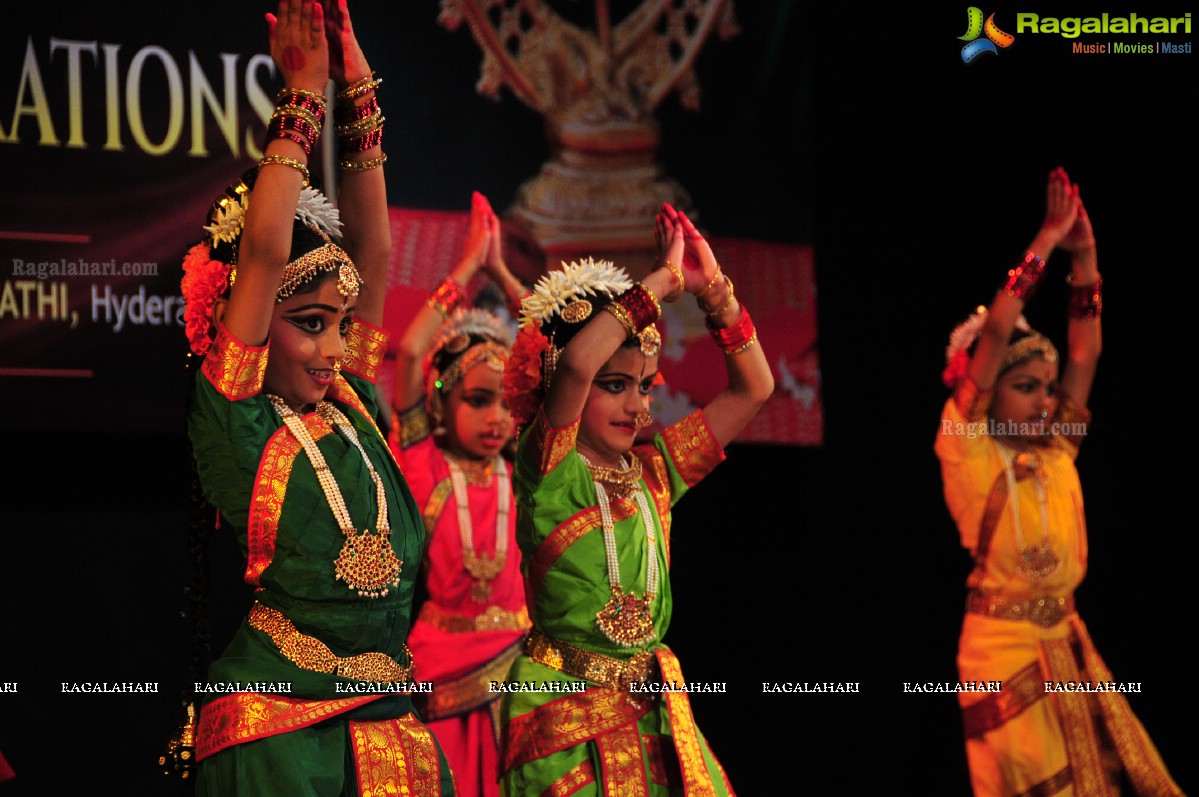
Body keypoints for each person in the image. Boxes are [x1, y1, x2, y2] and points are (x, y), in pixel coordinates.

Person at [181, 0, 453, 792]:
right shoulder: (235, 413)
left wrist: (358, 90)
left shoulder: (354, 404)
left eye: (340, 323)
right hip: (280, 727)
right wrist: (301, 96)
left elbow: (374, 247)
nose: (335, 347)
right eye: (309, 324)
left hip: (387, 719)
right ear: (254, 322)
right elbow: (265, 249)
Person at [496, 204, 774, 795]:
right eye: (616, 386)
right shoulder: (548, 467)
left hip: (652, 709)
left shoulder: (656, 473)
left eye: (645, 386)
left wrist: (716, 294)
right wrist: (661, 283)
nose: (637, 406)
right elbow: (576, 361)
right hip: (561, 712)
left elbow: (756, 388)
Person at [935, 168, 1182, 796]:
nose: (1046, 400)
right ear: (988, 396)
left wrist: (1089, 261)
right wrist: (1044, 244)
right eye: (1025, 387)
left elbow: (1085, 354)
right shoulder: (968, 446)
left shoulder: (1057, 450)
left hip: (1067, 643)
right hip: (1003, 654)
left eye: (1046, 388)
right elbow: (995, 334)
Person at [387, 191, 530, 797]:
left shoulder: (527, 470)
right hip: (439, 671)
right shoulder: (423, 464)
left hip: (523, 671)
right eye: (478, 399)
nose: (496, 417)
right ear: (442, 402)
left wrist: (503, 273)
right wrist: (469, 268)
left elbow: (565, 355)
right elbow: (414, 350)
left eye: (506, 401)